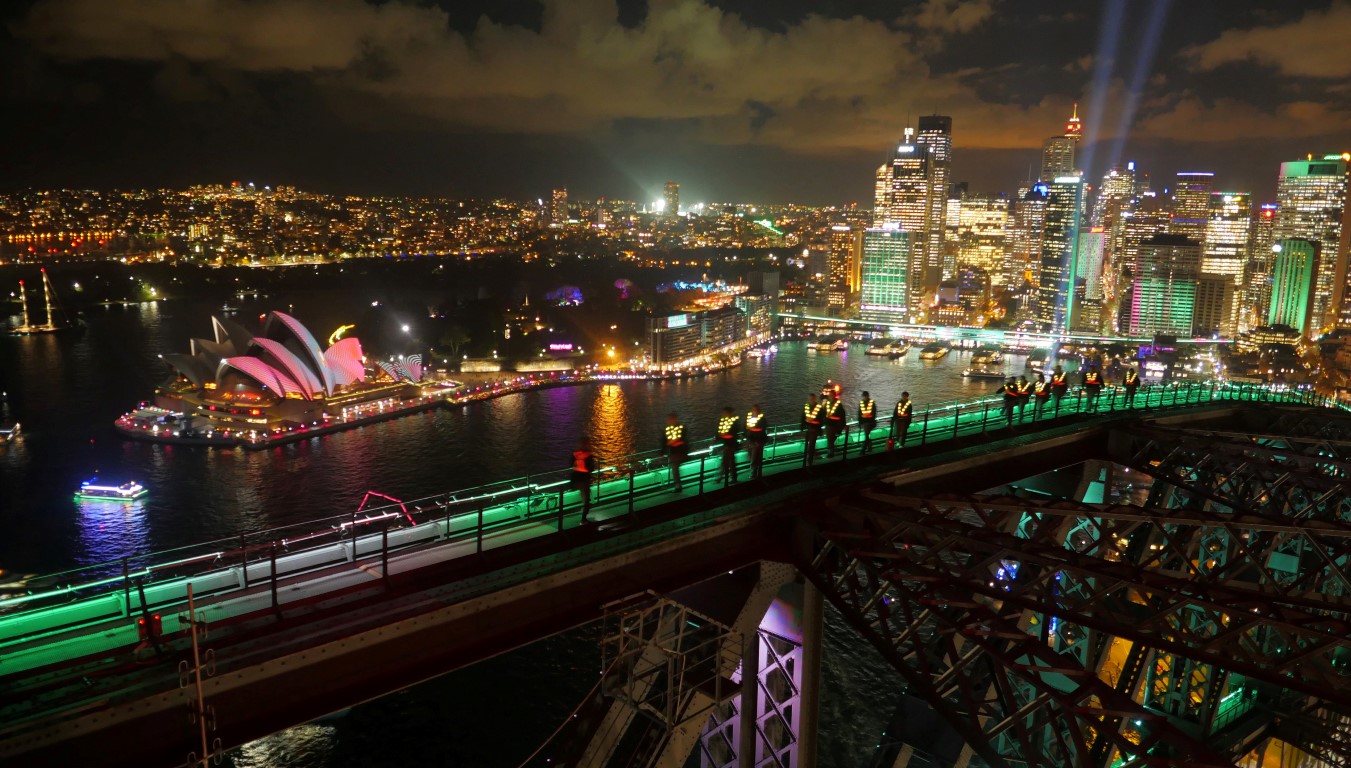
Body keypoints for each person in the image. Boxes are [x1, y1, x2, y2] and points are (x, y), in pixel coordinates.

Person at [570, 437, 596, 521]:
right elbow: (591, 468)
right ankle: (584, 519)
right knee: (586, 500)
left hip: (576, 478)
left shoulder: (575, 454)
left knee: (583, 496)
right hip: (584, 479)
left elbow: (571, 464)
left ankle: (581, 511)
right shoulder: (588, 455)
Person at [663, 412, 688, 492]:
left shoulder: (679, 428)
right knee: (674, 468)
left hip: (678, 452)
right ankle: (677, 484)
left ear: (674, 419)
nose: (668, 421)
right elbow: (664, 440)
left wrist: (669, 443)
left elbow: (678, 439)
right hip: (673, 452)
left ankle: (678, 485)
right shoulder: (669, 428)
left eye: (670, 419)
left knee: (674, 468)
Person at [716, 407, 740, 484]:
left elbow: (733, 434)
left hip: (731, 444)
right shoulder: (724, 421)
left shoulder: (734, 422)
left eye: (725, 413)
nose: (723, 414)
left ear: (729, 413)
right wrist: (719, 436)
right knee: (726, 461)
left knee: (730, 462)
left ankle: (732, 478)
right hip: (726, 444)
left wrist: (722, 435)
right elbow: (719, 432)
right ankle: (721, 477)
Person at [745, 404, 767, 479]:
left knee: (755, 458)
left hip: (758, 441)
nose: (755, 411)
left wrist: (751, 429)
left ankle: (754, 473)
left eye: (756, 410)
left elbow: (762, 429)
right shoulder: (750, 418)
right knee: (752, 457)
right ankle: (756, 472)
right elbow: (745, 428)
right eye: (753, 410)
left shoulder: (762, 419)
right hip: (751, 441)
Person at [822, 390, 846, 457]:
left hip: (834, 425)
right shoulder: (827, 403)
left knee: (831, 439)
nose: (830, 396)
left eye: (831, 395)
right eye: (829, 395)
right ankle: (830, 451)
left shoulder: (838, 404)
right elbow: (823, 412)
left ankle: (830, 452)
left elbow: (842, 415)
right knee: (830, 439)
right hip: (828, 424)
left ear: (834, 395)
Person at [802, 393, 823, 465]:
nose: (811, 400)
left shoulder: (818, 407)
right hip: (808, 428)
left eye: (812, 398)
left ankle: (809, 459)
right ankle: (812, 455)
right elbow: (803, 416)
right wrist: (803, 426)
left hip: (814, 428)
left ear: (815, 399)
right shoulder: (807, 406)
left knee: (811, 444)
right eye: (810, 398)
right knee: (811, 443)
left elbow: (821, 418)